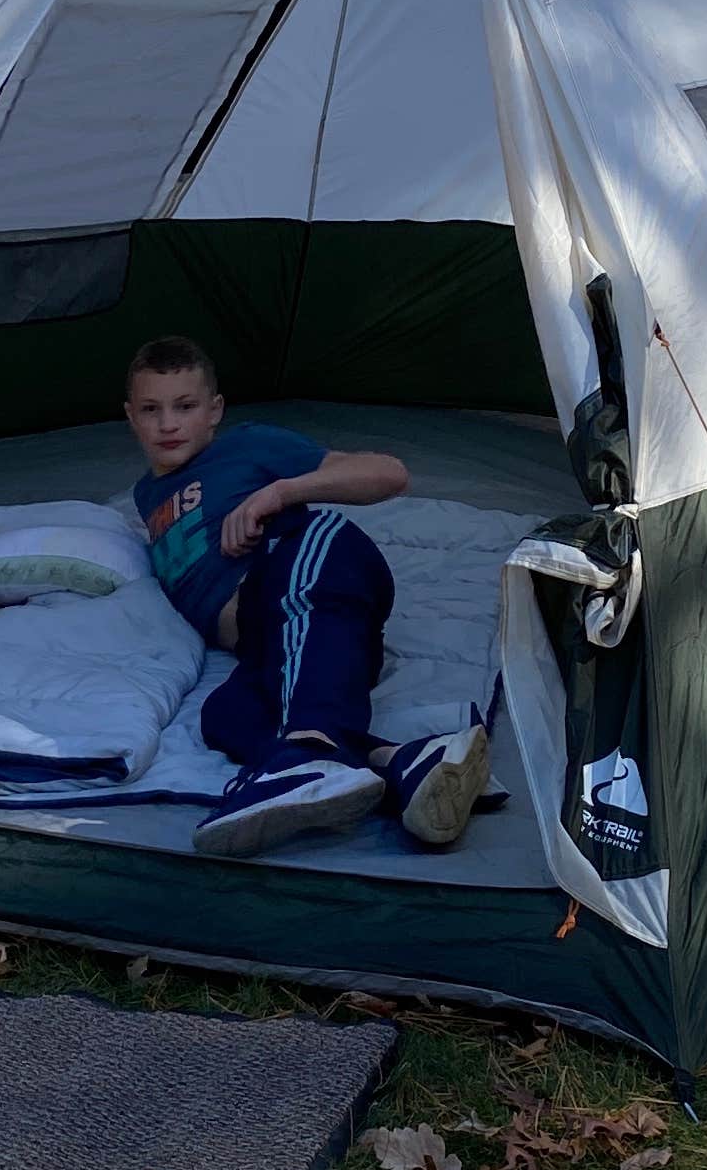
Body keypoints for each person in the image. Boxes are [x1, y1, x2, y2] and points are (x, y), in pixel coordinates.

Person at [123, 334, 490, 862]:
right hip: (273, 641)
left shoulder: (247, 445)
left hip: (312, 564)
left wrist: (277, 494)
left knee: (299, 588)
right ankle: (405, 763)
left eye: (185, 406)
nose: (168, 424)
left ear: (214, 411)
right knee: (225, 717)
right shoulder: (146, 495)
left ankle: (303, 760)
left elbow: (390, 474)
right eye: (152, 410)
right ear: (131, 416)